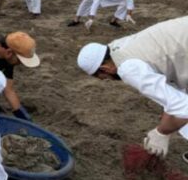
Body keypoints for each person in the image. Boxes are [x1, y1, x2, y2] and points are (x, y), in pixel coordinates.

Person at [78, 17, 188, 160]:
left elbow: (184, 107)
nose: (107, 81)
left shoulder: (128, 68)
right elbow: (174, 95)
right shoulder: (120, 46)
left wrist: (161, 132)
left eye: (103, 77)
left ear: (105, 69)